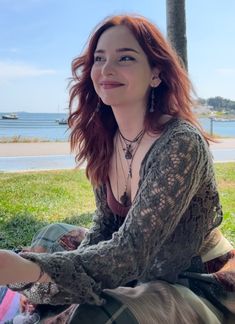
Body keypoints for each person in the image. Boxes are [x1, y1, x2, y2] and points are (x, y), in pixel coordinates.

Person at [0, 14, 234, 324]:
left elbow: (132, 251)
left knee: (92, 315)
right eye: (99, 59)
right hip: (137, 269)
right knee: (52, 236)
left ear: (156, 74)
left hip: (194, 279)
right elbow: (106, 226)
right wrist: (45, 279)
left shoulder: (180, 144)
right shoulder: (107, 138)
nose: (107, 69)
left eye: (125, 57)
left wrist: (33, 271)